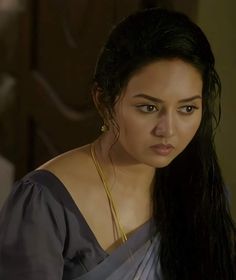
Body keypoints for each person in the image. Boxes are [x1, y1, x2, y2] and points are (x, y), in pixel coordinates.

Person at [0, 8, 235, 280]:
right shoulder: (43, 203)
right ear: (103, 100)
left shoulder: (200, 189)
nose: (168, 130)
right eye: (148, 107)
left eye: (187, 109)